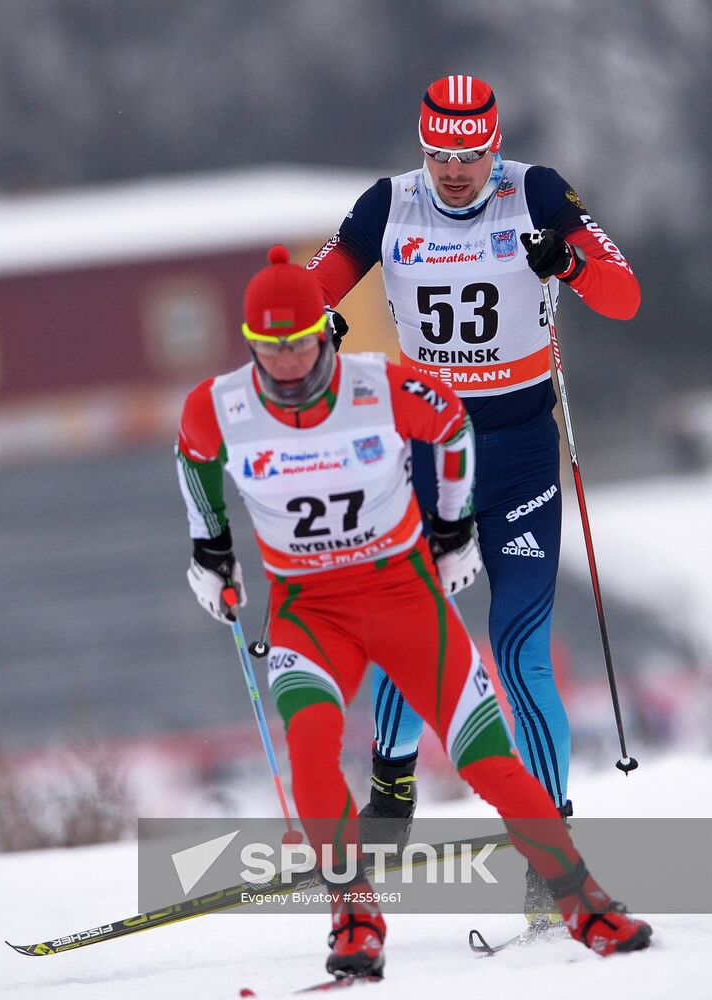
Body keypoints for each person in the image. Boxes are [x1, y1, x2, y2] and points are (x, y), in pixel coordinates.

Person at [176, 245, 651, 978]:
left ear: (322, 333)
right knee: (310, 743)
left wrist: (454, 531)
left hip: (403, 596)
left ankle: (583, 901)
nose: (292, 363)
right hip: (310, 611)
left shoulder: (377, 386)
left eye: (303, 343)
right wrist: (211, 551)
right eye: (273, 350)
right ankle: (354, 916)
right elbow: (192, 456)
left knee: (486, 757)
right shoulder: (220, 405)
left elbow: (452, 426)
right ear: (252, 346)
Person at [306, 74, 641, 921]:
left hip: (523, 458)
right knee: (405, 630)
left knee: (519, 648)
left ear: (494, 147)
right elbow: (311, 291)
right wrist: (315, 325)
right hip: (423, 456)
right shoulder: (390, 205)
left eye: (471, 155)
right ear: (423, 149)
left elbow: (622, 295)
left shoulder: (535, 190)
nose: (456, 172)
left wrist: (565, 259)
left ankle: (550, 848)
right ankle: (391, 793)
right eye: (440, 155)